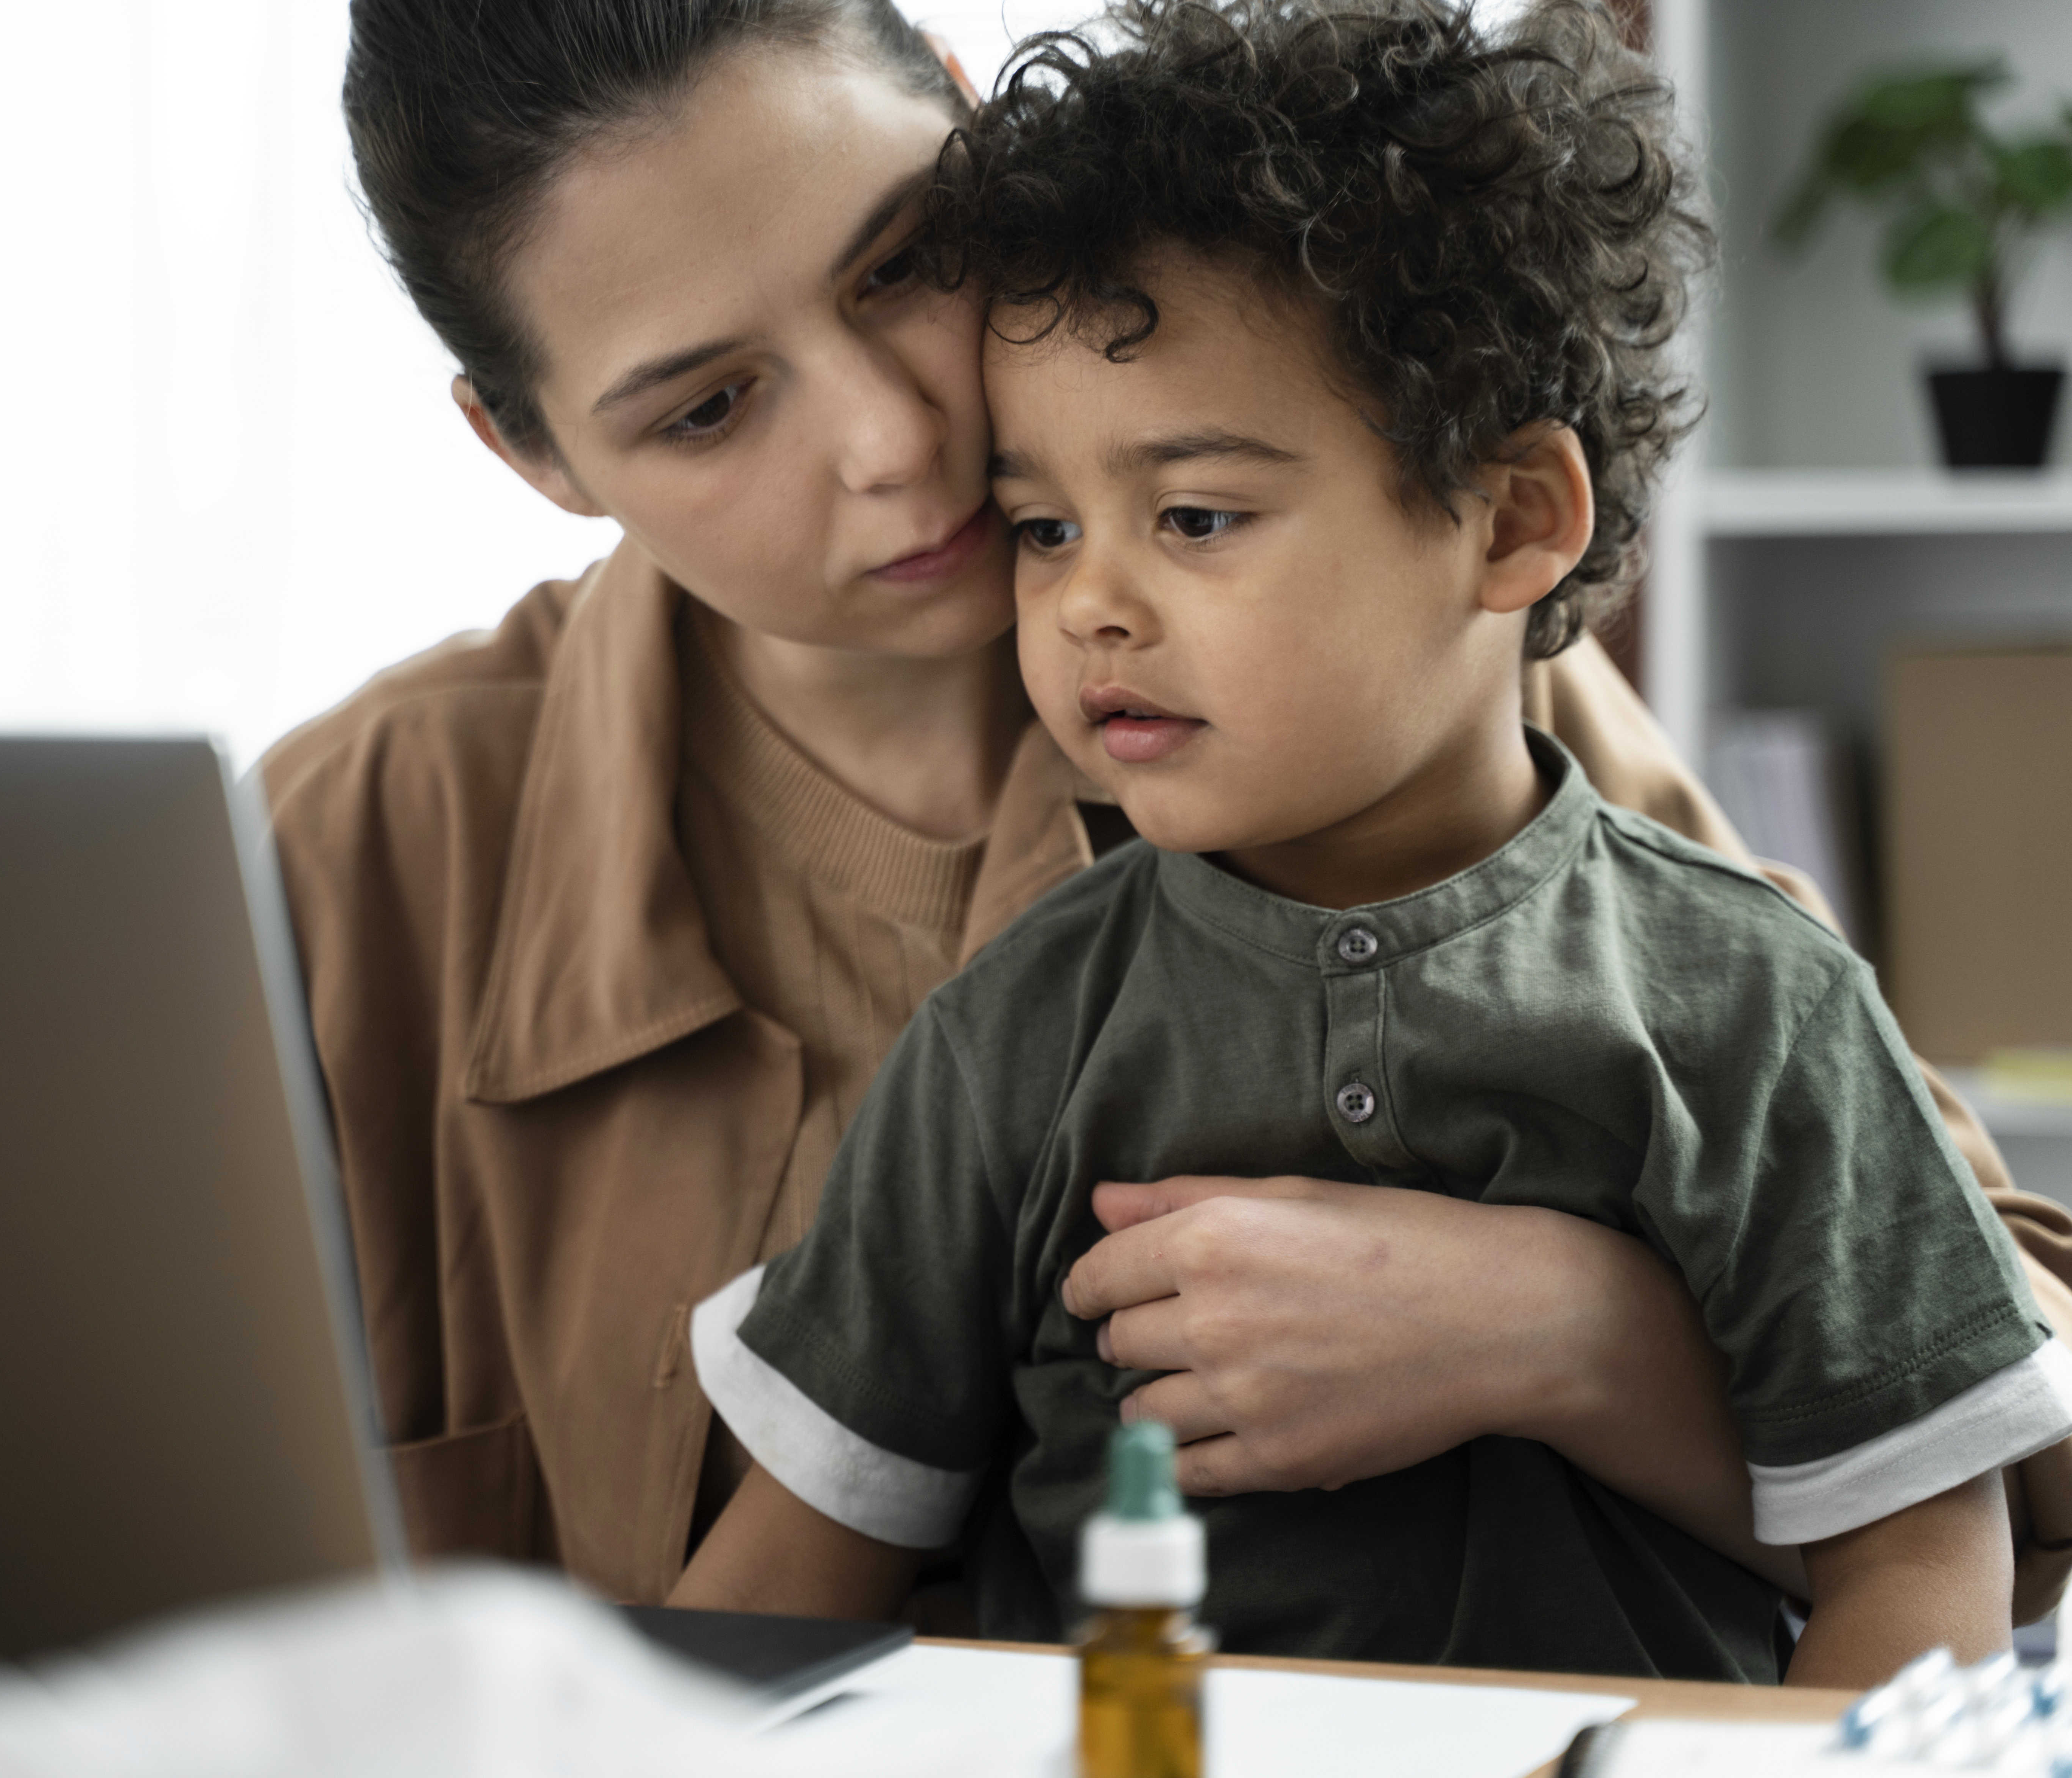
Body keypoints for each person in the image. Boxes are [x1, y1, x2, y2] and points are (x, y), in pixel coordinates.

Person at [272, 0, 2072, 1625]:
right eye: (715, 405)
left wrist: (1583, 1337)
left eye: (904, 265)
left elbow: (2004, 1454)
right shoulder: (343, 852)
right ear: (535, 455)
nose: (898, 441)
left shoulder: (1454, 682)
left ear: (982, 140)